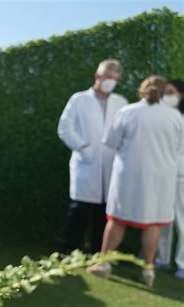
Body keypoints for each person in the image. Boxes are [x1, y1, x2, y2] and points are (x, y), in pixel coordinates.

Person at [87, 76, 184, 286]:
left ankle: (103, 263)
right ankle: (148, 271)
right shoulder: (175, 117)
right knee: (153, 223)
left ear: (142, 90)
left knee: (117, 220)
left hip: (128, 175)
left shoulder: (127, 112)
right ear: (164, 93)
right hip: (161, 179)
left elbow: (110, 141)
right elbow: (179, 149)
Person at [58, 59, 128, 253]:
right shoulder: (79, 99)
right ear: (98, 76)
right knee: (79, 209)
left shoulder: (121, 103)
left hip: (111, 163)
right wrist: (82, 146)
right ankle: (69, 249)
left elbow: (125, 132)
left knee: (105, 211)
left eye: (114, 78)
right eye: (107, 77)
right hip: (86, 161)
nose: (110, 81)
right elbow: (64, 128)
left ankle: (98, 251)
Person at [155, 79, 184, 279]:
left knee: (182, 222)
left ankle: (182, 263)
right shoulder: (160, 116)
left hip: (182, 176)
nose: (168, 95)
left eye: (172, 92)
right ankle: (162, 259)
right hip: (162, 174)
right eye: (165, 91)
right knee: (163, 219)